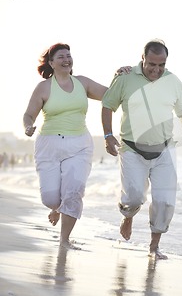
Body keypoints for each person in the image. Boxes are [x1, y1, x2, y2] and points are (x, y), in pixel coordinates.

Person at [102, 39, 182, 260]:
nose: (156, 70)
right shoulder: (124, 78)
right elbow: (107, 105)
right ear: (142, 58)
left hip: (164, 150)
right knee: (133, 198)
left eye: (161, 65)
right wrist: (108, 136)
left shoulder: (173, 81)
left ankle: (153, 247)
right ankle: (128, 216)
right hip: (132, 149)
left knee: (164, 201)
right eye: (152, 64)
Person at [23, 43, 108, 249]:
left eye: (68, 56)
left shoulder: (82, 83)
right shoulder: (43, 88)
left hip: (79, 144)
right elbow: (29, 114)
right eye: (61, 57)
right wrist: (28, 126)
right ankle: (55, 208)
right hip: (49, 145)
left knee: (74, 191)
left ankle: (64, 240)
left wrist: (120, 74)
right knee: (51, 197)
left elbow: (111, 94)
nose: (66, 60)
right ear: (51, 63)